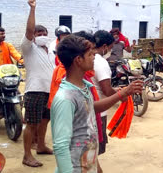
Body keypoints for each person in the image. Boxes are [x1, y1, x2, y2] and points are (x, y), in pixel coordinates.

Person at [51, 34, 143, 173]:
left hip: (87, 164)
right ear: (78, 60)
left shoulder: (84, 87)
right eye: (90, 54)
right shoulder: (65, 98)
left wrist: (122, 93)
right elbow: (60, 146)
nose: (94, 56)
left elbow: (91, 108)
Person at [21, 0, 54, 167]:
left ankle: (41, 146)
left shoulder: (51, 51)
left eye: (44, 34)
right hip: (35, 90)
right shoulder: (29, 48)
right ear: (33, 36)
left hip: (50, 91)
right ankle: (27, 155)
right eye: (38, 34)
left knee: (44, 121)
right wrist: (33, 9)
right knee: (32, 124)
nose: (41, 36)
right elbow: (28, 29)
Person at [92, 30, 116, 157]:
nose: (109, 51)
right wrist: (120, 95)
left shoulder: (88, 58)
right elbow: (107, 90)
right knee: (94, 151)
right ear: (105, 46)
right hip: (98, 112)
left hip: (89, 109)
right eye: (110, 48)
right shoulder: (100, 62)